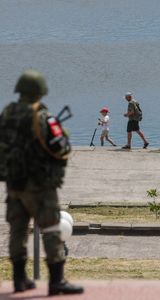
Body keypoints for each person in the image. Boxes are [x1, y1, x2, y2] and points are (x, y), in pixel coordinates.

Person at [0, 70, 83, 296]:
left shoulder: (7, 114)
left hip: (14, 183)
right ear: (40, 91)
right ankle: (56, 281)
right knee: (52, 228)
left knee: (17, 230)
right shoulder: (43, 117)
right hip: (39, 185)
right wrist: (62, 132)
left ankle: (19, 279)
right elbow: (61, 147)